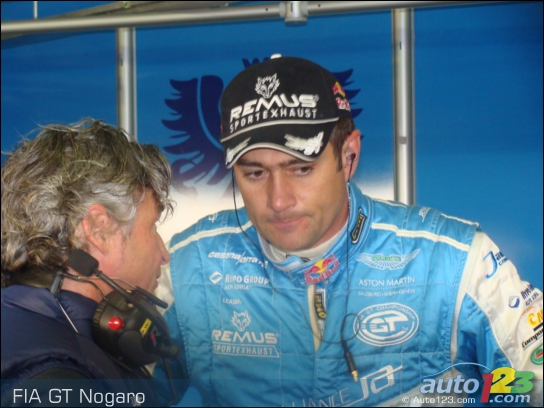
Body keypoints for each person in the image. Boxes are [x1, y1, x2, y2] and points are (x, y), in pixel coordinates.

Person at [155, 56, 543, 406]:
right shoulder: (189, 266)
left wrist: (470, 391)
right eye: (255, 173)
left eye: (300, 168)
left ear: (349, 155)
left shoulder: (453, 261)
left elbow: (535, 383)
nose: (278, 200)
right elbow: (126, 392)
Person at [1, 120, 177, 407]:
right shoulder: (61, 384)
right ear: (98, 230)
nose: (163, 253)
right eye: (152, 227)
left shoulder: (24, 320)